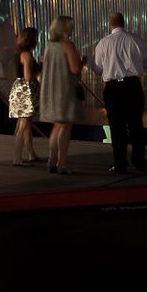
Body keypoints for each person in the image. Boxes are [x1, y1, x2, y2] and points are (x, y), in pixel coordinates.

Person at [91, 12, 147, 174]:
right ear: (123, 23)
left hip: (113, 88)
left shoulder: (103, 43)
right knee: (136, 125)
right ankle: (139, 161)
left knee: (116, 127)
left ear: (110, 24)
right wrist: (137, 70)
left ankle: (120, 163)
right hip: (133, 85)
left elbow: (97, 68)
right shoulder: (136, 40)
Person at [38, 15, 86, 174]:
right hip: (65, 90)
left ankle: (52, 160)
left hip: (51, 90)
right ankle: (62, 163)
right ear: (64, 28)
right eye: (70, 26)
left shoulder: (50, 46)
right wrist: (83, 63)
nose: (72, 29)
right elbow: (74, 69)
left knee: (57, 126)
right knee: (66, 126)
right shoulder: (68, 45)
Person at [8, 27, 41, 165]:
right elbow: (28, 76)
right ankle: (17, 157)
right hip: (26, 91)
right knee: (23, 124)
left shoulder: (18, 54)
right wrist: (40, 70)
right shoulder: (27, 55)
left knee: (26, 123)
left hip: (18, 88)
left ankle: (31, 153)